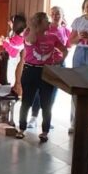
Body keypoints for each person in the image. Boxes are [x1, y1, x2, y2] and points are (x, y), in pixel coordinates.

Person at [16, 12, 68, 142]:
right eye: (46, 20)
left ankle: (45, 131)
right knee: (27, 101)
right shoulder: (29, 33)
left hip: (46, 72)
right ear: (38, 22)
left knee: (46, 103)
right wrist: (33, 27)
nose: (49, 23)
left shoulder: (53, 36)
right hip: (30, 70)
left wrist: (59, 61)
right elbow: (32, 41)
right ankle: (22, 128)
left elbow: (64, 50)